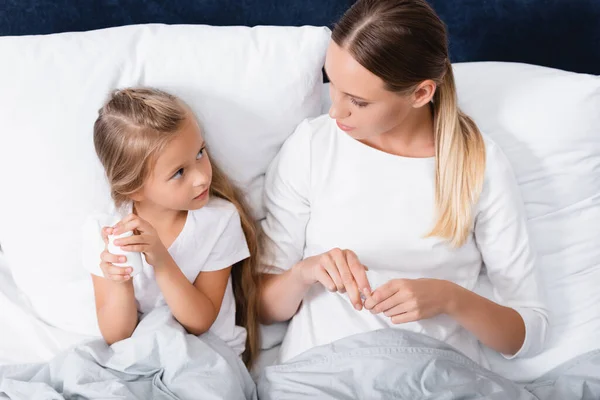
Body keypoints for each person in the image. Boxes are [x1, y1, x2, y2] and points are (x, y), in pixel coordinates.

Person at [258, 0, 548, 365]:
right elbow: (262, 309)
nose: (335, 111)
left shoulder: (478, 164)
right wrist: (305, 273)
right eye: (333, 84)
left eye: (358, 102)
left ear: (420, 93)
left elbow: (528, 332)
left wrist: (449, 298)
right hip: (321, 374)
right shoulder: (312, 146)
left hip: (432, 377)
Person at [85, 88, 260, 366]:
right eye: (179, 172)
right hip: (141, 359)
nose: (202, 178)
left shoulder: (218, 222)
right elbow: (117, 337)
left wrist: (162, 260)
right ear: (135, 188)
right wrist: (120, 281)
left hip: (207, 360)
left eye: (200, 153)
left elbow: (200, 321)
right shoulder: (106, 229)